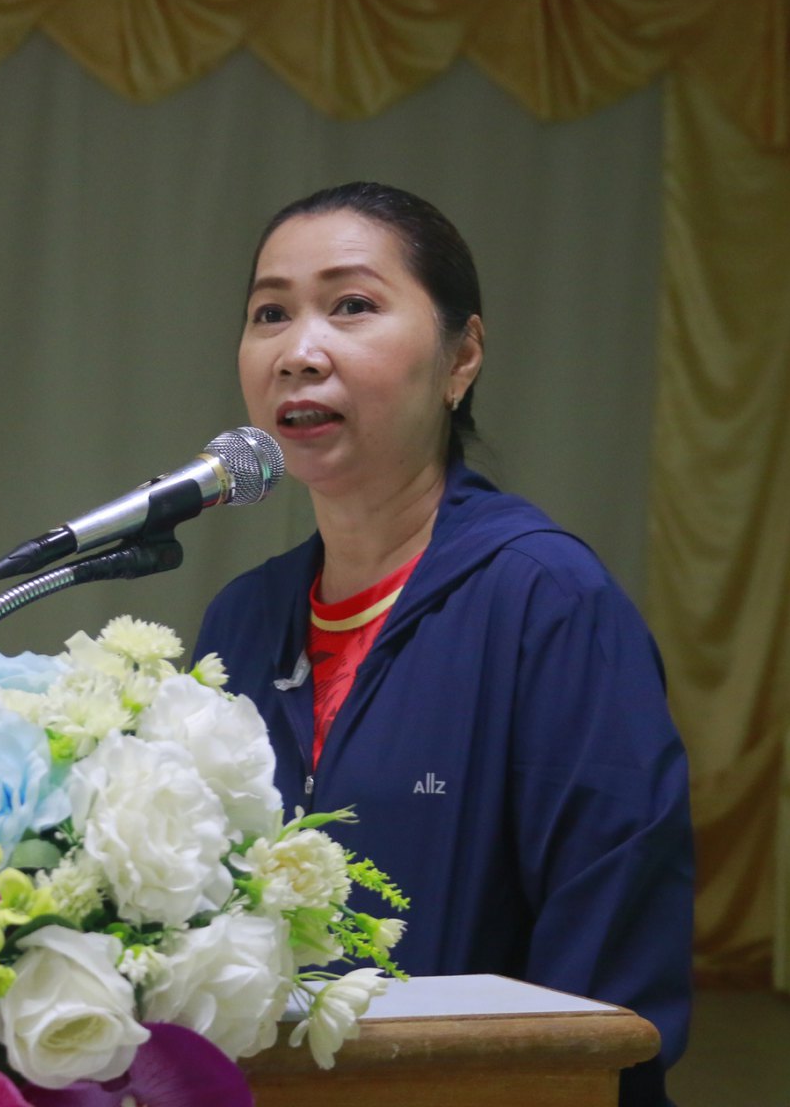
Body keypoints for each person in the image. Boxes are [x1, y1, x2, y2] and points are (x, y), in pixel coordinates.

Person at [194, 182, 694, 1106]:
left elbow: (609, 976)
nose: (300, 351)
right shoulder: (242, 621)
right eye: (271, 313)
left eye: (352, 305)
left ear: (461, 357)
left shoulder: (549, 604)